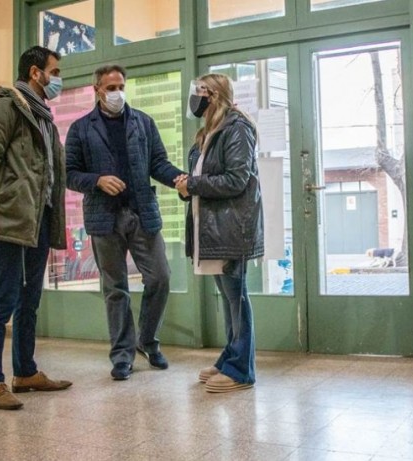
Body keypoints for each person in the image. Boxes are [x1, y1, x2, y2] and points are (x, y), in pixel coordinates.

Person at [65, 64, 186, 381]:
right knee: (115, 289)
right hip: (104, 217)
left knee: (160, 277)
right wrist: (97, 180)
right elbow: (69, 174)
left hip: (142, 213)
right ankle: (122, 355)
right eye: (111, 87)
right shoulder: (81, 129)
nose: (117, 92)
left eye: (121, 86)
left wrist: (179, 179)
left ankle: (148, 341)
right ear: (97, 91)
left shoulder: (143, 123)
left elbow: (158, 163)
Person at [0, 46, 72, 410]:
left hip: (38, 219)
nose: (59, 78)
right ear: (35, 72)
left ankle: (25, 371)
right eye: (55, 70)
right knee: (4, 298)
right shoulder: (8, 104)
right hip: (11, 220)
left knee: (30, 300)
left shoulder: (43, 114)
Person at [175, 74, 264, 393]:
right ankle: (230, 357)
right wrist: (186, 187)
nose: (194, 100)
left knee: (236, 299)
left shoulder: (236, 127)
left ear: (212, 96)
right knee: (228, 301)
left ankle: (242, 371)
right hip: (212, 229)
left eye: (199, 93)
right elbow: (203, 177)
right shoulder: (208, 132)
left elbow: (237, 179)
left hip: (231, 228)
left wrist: (194, 185)